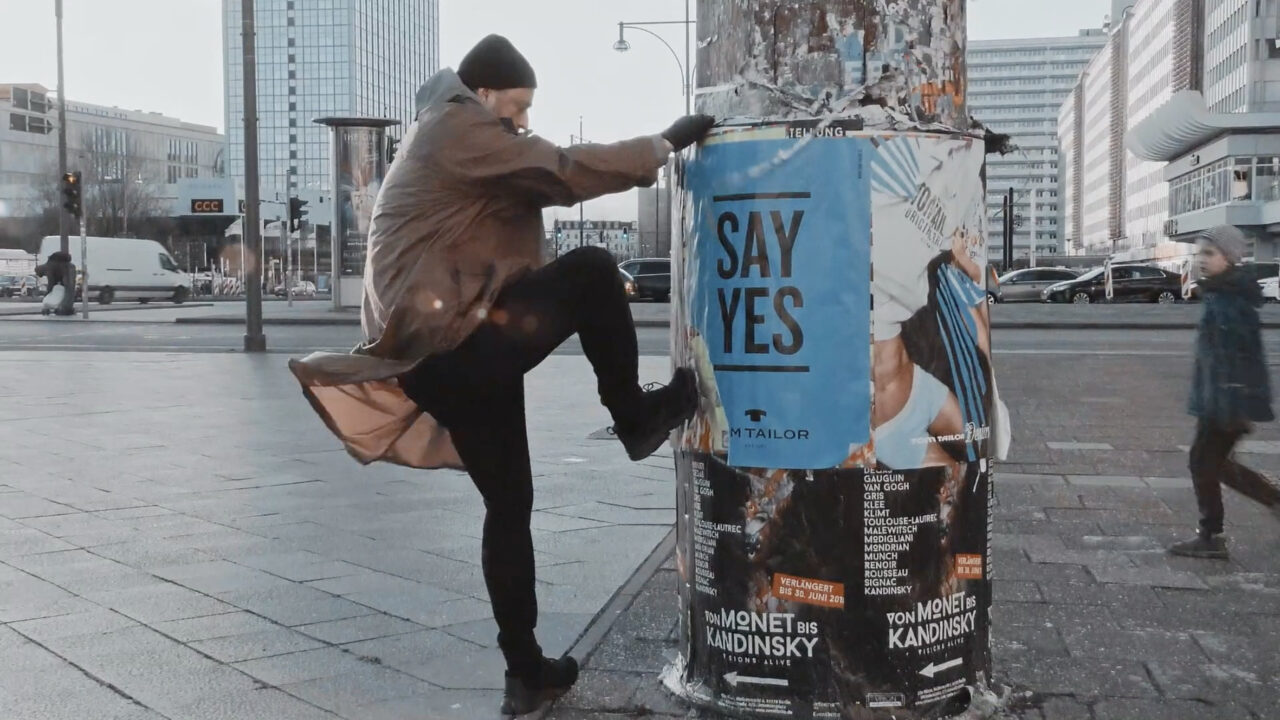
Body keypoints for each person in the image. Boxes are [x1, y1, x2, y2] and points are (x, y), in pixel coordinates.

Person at [289, 34, 714, 715]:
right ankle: (634, 416)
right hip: (456, 345)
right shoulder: (458, 126)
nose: (520, 123)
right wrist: (660, 146)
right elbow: (561, 169)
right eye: (515, 109)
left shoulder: (441, 133)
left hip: (450, 356)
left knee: (509, 505)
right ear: (482, 94)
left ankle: (526, 672)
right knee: (596, 272)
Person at [1170, 225, 1280, 559]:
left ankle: (1212, 537)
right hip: (1219, 398)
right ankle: (1271, 503)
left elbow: (1244, 358)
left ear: (1230, 258)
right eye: (1199, 252)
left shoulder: (1231, 302)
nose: (1201, 259)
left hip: (1226, 401)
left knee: (1204, 462)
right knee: (1213, 464)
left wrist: (1236, 405)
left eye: (1209, 253)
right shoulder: (1221, 294)